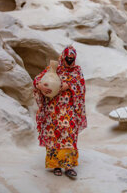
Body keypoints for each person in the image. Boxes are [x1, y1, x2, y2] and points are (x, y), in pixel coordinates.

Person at [33, 45, 87, 178]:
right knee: (54, 136)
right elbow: (37, 80)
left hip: (68, 110)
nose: (69, 61)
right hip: (52, 110)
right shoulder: (54, 69)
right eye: (67, 58)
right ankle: (56, 165)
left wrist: (68, 85)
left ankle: (68, 166)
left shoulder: (77, 71)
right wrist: (41, 86)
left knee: (69, 135)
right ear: (63, 57)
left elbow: (81, 85)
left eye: (71, 59)